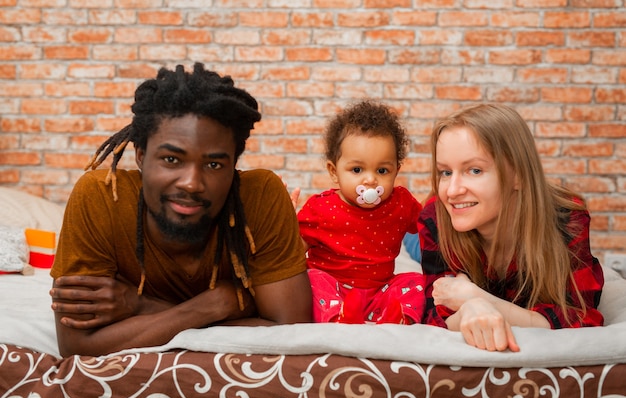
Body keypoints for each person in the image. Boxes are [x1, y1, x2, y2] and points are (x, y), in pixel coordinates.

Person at [49, 63, 312, 357]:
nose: (191, 184)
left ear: (233, 166)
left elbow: (291, 332)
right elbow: (77, 345)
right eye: (172, 160)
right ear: (140, 155)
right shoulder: (101, 197)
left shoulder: (261, 196)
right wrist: (216, 305)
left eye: (214, 165)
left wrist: (141, 306)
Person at [418, 103, 604, 352]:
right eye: (445, 172)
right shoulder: (435, 216)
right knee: (409, 243)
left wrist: (477, 298)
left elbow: (581, 318)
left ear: (518, 175)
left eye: (474, 170)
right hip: (450, 222)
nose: (452, 190)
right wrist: (469, 311)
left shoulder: (566, 219)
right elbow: (431, 317)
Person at [297, 100, 425, 324]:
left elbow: (429, 228)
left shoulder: (402, 203)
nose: (370, 179)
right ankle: (338, 317)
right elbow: (295, 252)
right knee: (310, 279)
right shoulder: (320, 208)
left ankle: (397, 317)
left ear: (396, 171)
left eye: (382, 170)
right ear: (334, 172)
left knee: (415, 281)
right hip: (334, 289)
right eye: (357, 169)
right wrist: (284, 226)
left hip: (380, 290)